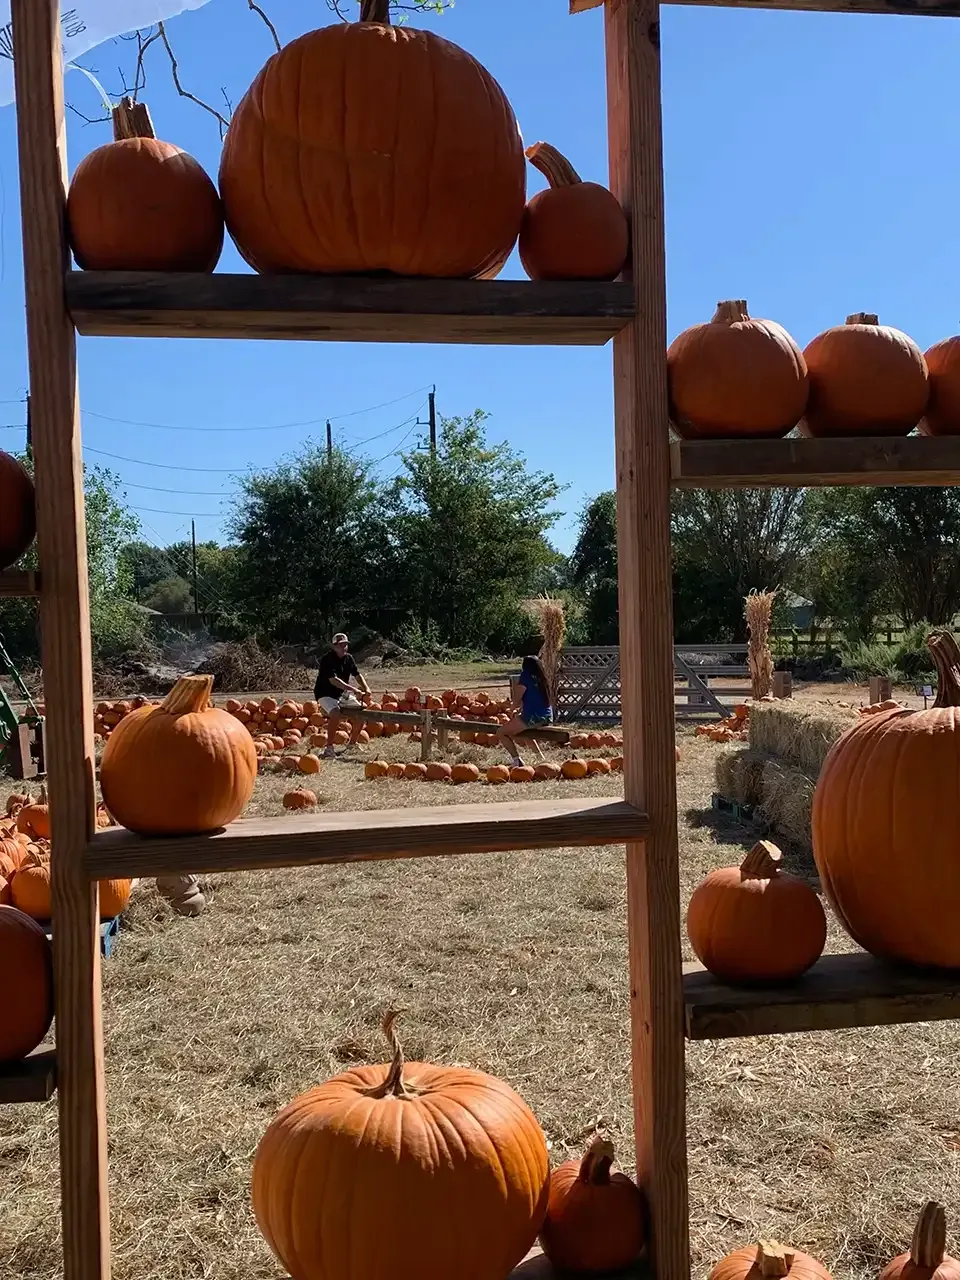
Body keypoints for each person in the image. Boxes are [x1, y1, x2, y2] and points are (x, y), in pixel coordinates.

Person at [314, 632, 371, 758]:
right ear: (334, 646)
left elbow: (357, 674)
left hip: (340, 694)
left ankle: (352, 744)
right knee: (335, 713)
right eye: (340, 645)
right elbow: (334, 681)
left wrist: (366, 688)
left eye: (345, 645)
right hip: (325, 693)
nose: (343, 647)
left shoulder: (349, 658)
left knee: (362, 712)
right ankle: (329, 748)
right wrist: (354, 690)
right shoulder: (327, 659)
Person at [497, 654, 553, 767]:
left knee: (501, 732)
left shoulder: (525, 676)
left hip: (533, 716)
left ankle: (516, 760)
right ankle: (541, 759)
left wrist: (511, 709)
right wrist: (520, 711)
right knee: (524, 733)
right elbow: (534, 698)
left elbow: (517, 698)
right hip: (546, 716)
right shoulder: (541, 678)